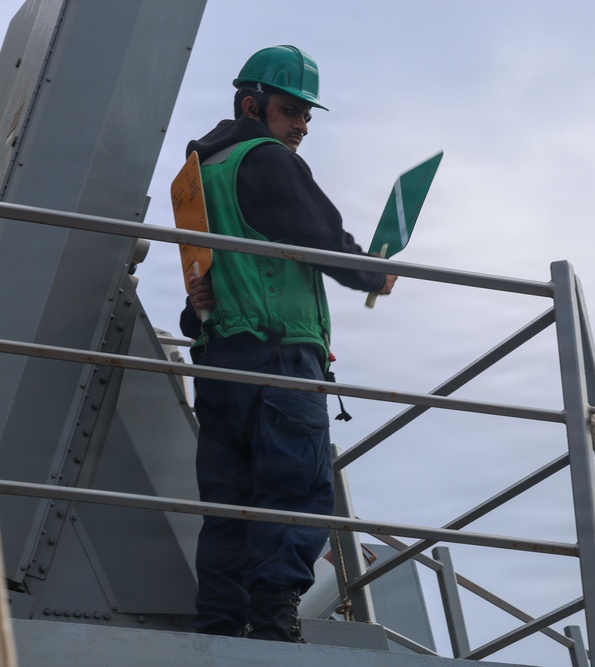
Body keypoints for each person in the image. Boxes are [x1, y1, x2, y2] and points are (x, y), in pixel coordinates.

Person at [178, 45, 396, 643]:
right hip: (280, 358)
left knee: (229, 500)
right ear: (252, 105)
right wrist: (371, 272)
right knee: (294, 489)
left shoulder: (200, 173)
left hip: (221, 362)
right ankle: (274, 621)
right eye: (289, 109)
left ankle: (220, 624)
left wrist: (196, 319)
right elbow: (320, 236)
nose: (300, 125)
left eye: (306, 114)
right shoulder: (268, 160)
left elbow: (199, 279)